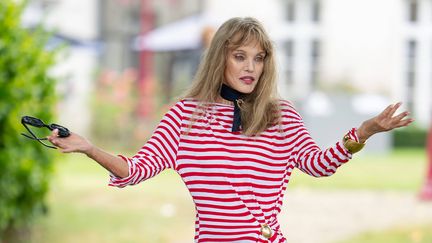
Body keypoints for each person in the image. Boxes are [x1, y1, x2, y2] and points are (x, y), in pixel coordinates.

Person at [48, 17, 413, 243]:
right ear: (219, 57)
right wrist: (89, 148)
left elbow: (317, 164)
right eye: (240, 56)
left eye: (259, 58)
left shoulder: (280, 114)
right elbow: (136, 170)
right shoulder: (184, 116)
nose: (250, 67)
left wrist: (362, 133)